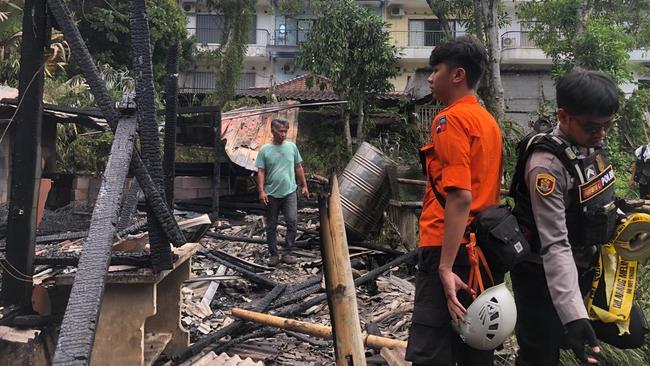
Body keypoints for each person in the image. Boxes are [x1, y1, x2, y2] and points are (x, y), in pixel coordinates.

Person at [509, 69, 621, 365]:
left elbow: (599, 201)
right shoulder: (546, 167)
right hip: (541, 277)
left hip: (584, 266)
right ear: (563, 116)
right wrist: (573, 316)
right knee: (540, 356)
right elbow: (555, 244)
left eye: (607, 125)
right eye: (592, 127)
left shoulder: (589, 147)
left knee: (630, 331)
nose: (601, 134)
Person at [405, 36, 503, 366]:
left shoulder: (450, 120)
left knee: (431, 353)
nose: (431, 78)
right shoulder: (488, 122)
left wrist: (445, 268)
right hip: (482, 253)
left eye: (436, 70)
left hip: (448, 250)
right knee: (475, 350)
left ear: (457, 75)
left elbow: (459, 196)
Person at [256, 118, 309, 267]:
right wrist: (261, 191)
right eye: (280, 131)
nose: (283, 134)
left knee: (292, 221)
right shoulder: (265, 150)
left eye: (286, 131)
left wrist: (304, 185)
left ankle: (287, 253)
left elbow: (298, 167)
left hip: (289, 192)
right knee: (271, 225)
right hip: (271, 194)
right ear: (272, 131)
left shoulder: (292, 147)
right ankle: (273, 255)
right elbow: (260, 172)